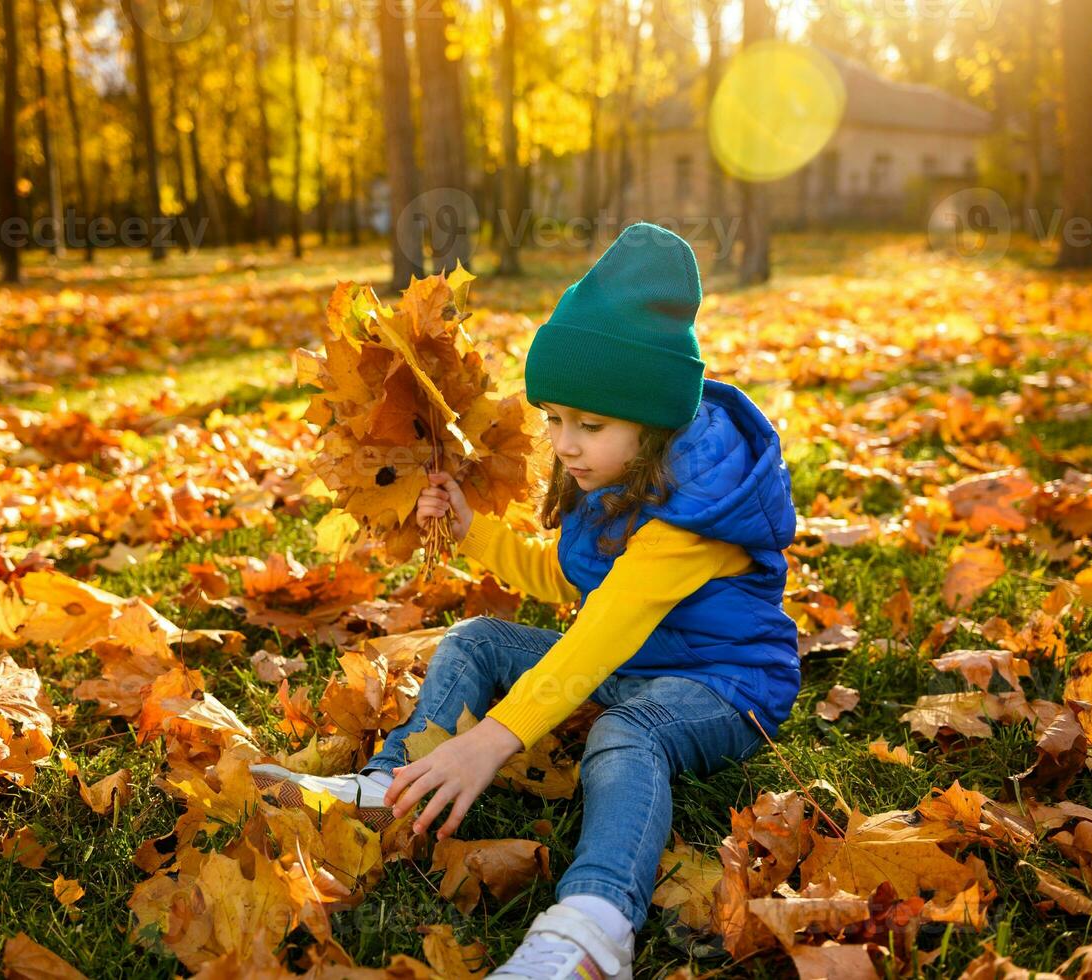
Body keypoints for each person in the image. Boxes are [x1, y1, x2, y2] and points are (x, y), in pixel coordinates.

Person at [253, 222, 799, 979]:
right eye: (555, 419)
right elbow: (567, 582)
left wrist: (494, 738)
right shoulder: (615, 474)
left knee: (627, 735)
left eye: (590, 425)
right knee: (478, 637)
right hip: (635, 662)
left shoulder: (695, 511)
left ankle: (592, 925)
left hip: (723, 685)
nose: (565, 444)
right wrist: (475, 532)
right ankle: (390, 785)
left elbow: (601, 632)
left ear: (654, 424)